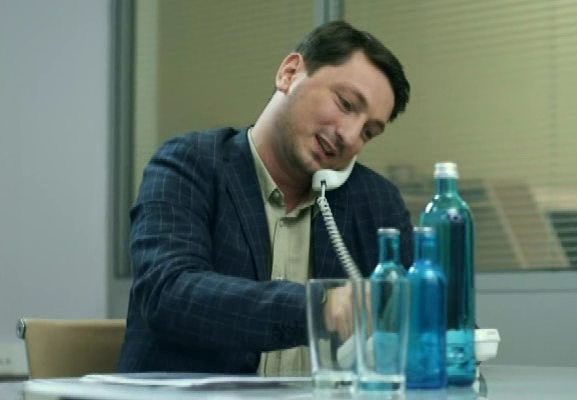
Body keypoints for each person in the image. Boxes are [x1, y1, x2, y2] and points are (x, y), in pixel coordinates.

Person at [117, 21, 413, 375]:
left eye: (368, 132)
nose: (350, 137)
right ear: (289, 73)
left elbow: (419, 321)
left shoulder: (376, 202)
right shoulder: (189, 164)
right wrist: (317, 307)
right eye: (346, 103)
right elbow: (167, 292)